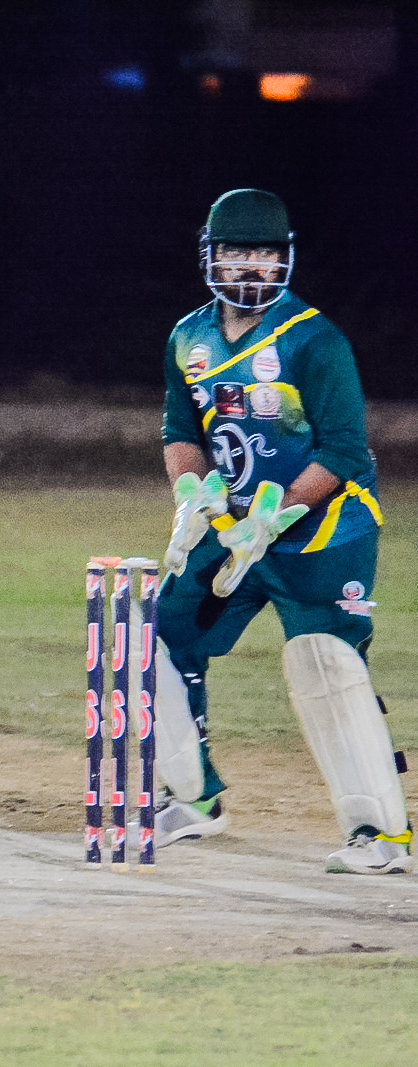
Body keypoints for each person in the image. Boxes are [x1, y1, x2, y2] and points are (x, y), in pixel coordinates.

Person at [155, 188, 410, 874]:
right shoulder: (189, 337)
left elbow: (345, 451)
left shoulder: (314, 340)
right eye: (236, 252)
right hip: (234, 528)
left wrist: (278, 514)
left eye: (264, 254)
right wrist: (191, 496)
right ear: (210, 255)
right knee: (156, 639)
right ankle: (194, 799)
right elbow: (182, 430)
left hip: (323, 534)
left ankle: (380, 835)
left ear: (285, 258)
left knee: (325, 662)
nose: (250, 267)